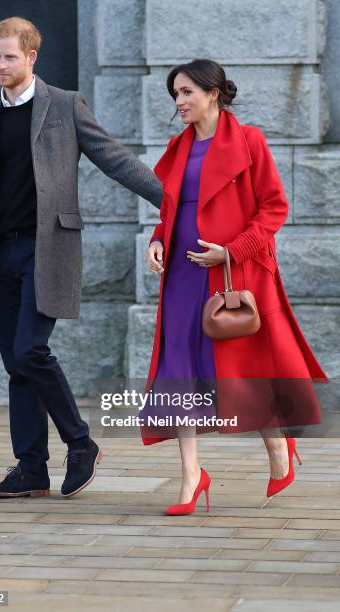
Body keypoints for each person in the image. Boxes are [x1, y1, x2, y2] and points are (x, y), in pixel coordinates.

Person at [0, 17, 163, 499]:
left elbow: (114, 158)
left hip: (48, 249)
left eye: (9, 57)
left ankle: (80, 443)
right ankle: (31, 469)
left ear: (31, 57)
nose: (0, 65)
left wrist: (172, 200)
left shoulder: (64, 105)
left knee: (30, 350)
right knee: (15, 363)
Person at [142, 58, 329, 515]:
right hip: (183, 277)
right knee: (178, 369)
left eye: (186, 92)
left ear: (213, 93)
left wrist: (232, 251)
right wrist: (157, 239)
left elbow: (274, 208)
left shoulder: (249, 140)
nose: (179, 102)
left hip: (233, 275)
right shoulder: (177, 146)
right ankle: (191, 478)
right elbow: (172, 209)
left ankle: (279, 448)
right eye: (175, 94)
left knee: (242, 371)